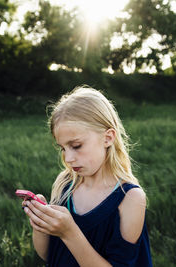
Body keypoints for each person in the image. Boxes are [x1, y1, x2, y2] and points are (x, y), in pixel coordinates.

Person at [22, 86, 152, 266]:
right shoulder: (65, 184)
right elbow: (49, 255)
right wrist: (41, 225)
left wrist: (69, 233)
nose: (68, 158)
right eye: (63, 148)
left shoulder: (130, 199)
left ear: (108, 138)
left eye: (76, 146)